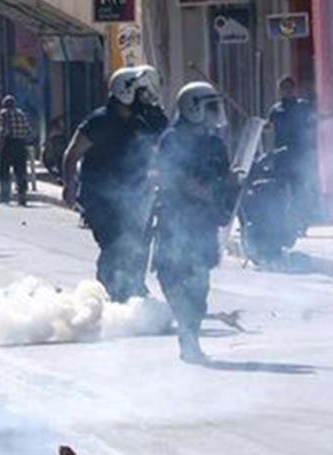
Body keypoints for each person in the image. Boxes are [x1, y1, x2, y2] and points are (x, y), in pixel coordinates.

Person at [153, 82, 239, 362]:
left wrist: (232, 187)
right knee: (172, 276)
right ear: (194, 108)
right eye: (210, 107)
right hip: (176, 219)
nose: (215, 113)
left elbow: (225, 178)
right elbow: (168, 175)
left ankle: (190, 336)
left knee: (199, 284)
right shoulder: (172, 140)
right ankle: (186, 331)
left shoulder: (215, 143)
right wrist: (196, 190)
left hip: (204, 223)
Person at [62, 67, 153, 303]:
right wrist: (69, 186)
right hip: (99, 198)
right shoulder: (99, 121)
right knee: (115, 245)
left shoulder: (139, 124)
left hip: (131, 198)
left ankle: (128, 291)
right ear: (125, 92)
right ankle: (107, 294)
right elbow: (72, 154)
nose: (143, 97)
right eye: (139, 92)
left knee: (135, 245)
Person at [266, 76, 317, 232]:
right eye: (283, 89)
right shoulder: (276, 110)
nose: (286, 91)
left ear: (294, 89)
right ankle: (283, 222)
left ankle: (301, 222)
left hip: (299, 155)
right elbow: (268, 126)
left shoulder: (302, 106)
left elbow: (312, 123)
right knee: (280, 190)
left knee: (298, 191)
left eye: (289, 88)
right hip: (282, 156)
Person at [0, 95, 34, 206]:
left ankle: (5, 196)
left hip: (9, 143)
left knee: (4, 171)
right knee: (20, 171)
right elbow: (29, 131)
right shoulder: (21, 113)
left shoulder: (4, 113)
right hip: (21, 144)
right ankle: (22, 197)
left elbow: (3, 130)